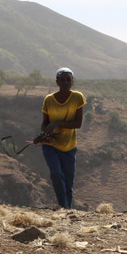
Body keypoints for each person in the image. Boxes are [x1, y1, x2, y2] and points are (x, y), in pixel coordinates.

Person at [40, 67, 85, 209]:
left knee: (68, 184)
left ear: (72, 82)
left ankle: (67, 211)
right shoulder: (49, 100)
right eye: (62, 80)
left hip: (69, 146)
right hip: (51, 146)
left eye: (68, 80)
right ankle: (63, 208)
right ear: (57, 82)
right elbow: (44, 123)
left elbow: (78, 124)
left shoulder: (77, 98)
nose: (65, 82)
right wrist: (44, 135)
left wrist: (57, 123)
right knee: (56, 174)